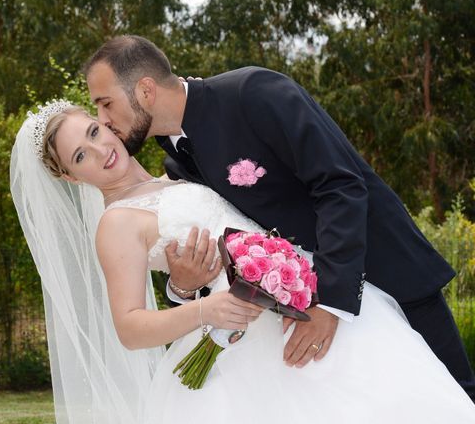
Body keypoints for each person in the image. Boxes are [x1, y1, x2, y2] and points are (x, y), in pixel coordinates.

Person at [10, 100, 475, 424]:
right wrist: (206, 308)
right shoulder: (115, 225)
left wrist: (180, 286)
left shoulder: (178, 172)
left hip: (302, 302)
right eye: (79, 156)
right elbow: (130, 327)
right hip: (238, 348)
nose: (99, 150)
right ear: (72, 178)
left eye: (93, 132)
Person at [83, 35, 475, 400]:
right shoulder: (179, 161)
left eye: (105, 103)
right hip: (300, 314)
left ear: (145, 91)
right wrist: (183, 290)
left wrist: (331, 305)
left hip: (386, 275)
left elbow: (340, 185)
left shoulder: (253, 93)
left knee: (454, 403)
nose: (103, 120)